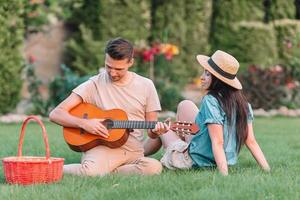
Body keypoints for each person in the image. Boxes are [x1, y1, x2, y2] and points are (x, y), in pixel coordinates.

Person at [49, 38, 169, 176]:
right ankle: (51, 168)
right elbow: (56, 114)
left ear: (131, 62)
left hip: (133, 151)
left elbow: (151, 131)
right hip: (102, 148)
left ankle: (107, 171)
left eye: (118, 69)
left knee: (154, 167)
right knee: (90, 173)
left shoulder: (146, 85)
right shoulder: (93, 84)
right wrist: (85, 123)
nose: (112, 73)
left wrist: (156, 131)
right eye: (108, 67)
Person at [144, 50, 270, 176]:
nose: (202, 77)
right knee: (185, 105)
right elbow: (251, 141)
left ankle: (136, 154)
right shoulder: (244, 105)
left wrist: (224, 176)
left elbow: (218, 142)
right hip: (218, 157)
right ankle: (177, 139)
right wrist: (267, 170)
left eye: (208, 74)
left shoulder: (211, 100)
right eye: (204, 72)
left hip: (194, 161)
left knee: (162, 128)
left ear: (218, 80)